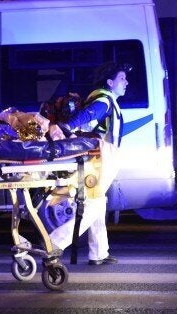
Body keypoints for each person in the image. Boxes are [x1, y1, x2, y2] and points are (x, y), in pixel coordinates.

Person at [47, 61, 131, 265]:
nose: (126, 82)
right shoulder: (104, 100)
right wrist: (65, 126)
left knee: (99, 202)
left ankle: (99, 252)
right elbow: (90, 114)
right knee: (93, 205)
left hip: (101, 155)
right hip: (100, 157)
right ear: (110, 82)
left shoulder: (106, 99)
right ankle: (54, 243)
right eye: (122, 78)